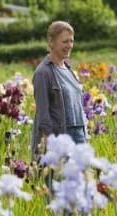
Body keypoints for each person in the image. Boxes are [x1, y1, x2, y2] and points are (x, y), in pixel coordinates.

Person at [31, 20, 86, 162]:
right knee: (59, 182)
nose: (69, 46)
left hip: (79, 135)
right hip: (61, 136)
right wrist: (53, 143)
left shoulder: (68, 69)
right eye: (64, 42)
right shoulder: (43, 73)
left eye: (71, 41)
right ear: (51, 42)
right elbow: (43, 115)